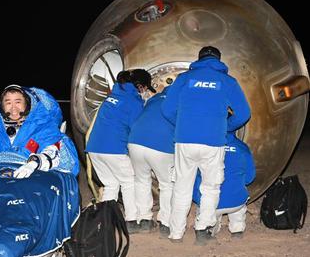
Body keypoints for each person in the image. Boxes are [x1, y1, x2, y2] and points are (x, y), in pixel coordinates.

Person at [161, 46, 251, 244]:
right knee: (210, 188)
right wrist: (225, 127)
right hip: (214, 142)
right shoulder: (228, 81)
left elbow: (166, 109)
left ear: (199, 59)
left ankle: (176, 234)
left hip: (185, 141)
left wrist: (184, 126)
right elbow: (244, 114)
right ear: (218, 60)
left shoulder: (184, 79)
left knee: (182, 187)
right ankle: (202, 231)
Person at [0, 76, 79, 177]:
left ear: (28, 104)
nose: (13, 107)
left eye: (18, 102)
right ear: (1, 106)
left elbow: (53, 150)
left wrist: (34, 163)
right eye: (8, 103)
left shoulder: (42, 127)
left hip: (30, 180)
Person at [85, 69, 155, 232]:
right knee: (129, 181)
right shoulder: (133, 101)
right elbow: (135, 127)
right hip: (114, 148)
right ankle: (131, 220)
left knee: (111, 184)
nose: (145, 92)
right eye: (145, 88)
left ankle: (104, 222)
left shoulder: (113, 95)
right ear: (139, 86)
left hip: (95, 148)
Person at [128, 85, 175, 236]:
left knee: (141, 181)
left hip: (135, 141)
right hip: (160, 145)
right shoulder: (181, 100)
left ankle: (144, 220)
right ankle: (165, 223)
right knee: (167, 184)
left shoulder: (154, 99)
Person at [192, 131, 255, 242]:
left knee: (207, 198)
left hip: (210, 203)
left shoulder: (203, 145)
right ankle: (237, 230)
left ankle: (207, 229)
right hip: (235, 203)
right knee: (238, 194)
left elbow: (194, 174)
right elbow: (250, 177)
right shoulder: (242, 147)